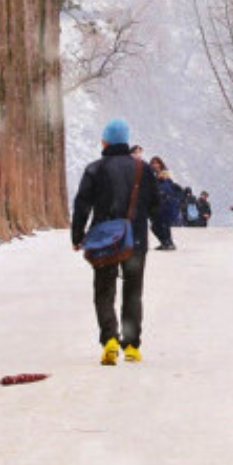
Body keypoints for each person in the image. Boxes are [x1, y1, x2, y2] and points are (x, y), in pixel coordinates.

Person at [72, 119, 161, 365]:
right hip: (135, 241)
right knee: (133, 293)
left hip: (105, 243)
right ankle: (132, 346)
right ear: (126, 141)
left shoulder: (95, 169)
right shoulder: (143, 169)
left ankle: (109, 340)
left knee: (104, 291)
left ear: (105, 141)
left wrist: (77, 236)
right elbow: (156, 204)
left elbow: (82, 205)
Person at [149, 156, 181, 250]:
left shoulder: (165, 175)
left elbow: (167, 188)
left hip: (165, 204)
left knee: (161, 225)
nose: (155, 165)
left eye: (157, 163)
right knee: (158, 226)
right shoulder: (151, 174)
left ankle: (167, 242)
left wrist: (161, 179)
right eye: (153, 163)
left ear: (161, 164)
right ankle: (166, 242)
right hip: (156, 204)